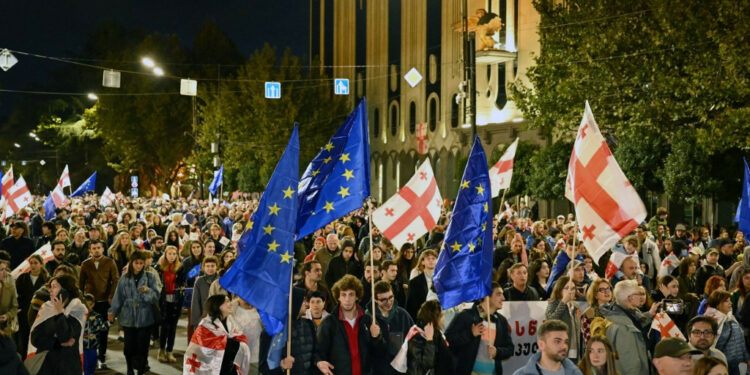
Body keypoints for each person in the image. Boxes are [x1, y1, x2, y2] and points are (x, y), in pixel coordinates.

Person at [316, 274, 384, 375]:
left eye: (351, 294)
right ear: (338, 297)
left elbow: (380, 354)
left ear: (357, 297)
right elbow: (318, 352)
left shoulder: (368, 321)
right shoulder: (328, 323)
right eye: (343, 295)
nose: (347, 299)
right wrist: (318, 362)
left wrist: (376, 338)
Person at [108, 251, 160, 375]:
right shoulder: (124, 278)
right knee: (128, 347)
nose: (138, 266)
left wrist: (147, 291)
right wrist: (112, 312)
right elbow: (118, 297)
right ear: (131, 263)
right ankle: (129, 368)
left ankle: (141, 370)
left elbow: (156, 296)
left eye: (141, 263)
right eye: (136, 263)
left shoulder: (150, 277)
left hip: (145, 317)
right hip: (128, 317)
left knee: (143, 347)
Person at [445, 282, 514, 375]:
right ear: (486, 296)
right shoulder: (466, 316)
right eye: (498, 294)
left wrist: (498, 352)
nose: (503, 298)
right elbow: (449, 340)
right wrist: (470, 333)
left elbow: (510, 349)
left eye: (502, 294)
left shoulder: (502, 321)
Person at [28, 274, 87, 375]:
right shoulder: (46, 308)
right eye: (50, 287)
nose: (50, 290)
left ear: (65, 290)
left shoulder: (77, 309)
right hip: (46, 365)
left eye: (54, 287)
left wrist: (60, 313)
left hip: (67, 366)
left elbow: (65, 336)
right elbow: (35, 338)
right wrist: (57, 344)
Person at [602, 279, 660, 375]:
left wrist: (650, 314)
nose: (641, 297)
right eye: (638, 294)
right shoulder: (623, 328)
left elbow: (636, 323)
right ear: (630, 298)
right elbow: (629, 364)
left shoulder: (623, 314)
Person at [183, 294, 251, 375]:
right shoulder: (205, 325)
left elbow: (240, 338)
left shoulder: (231, 322)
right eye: (227, 301)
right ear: (217, 305)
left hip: (229, 367)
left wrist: (236, 344)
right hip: (213, 368)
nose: (230, 304)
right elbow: (209, 348)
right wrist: (235, 344)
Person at [78, 239, 119, 369]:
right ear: (90, 250)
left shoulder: (109, 262)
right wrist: (81, 300)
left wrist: (111, 296)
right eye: (93, 248)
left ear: (103, 249)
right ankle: (90, 356)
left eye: (98, 248)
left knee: (103, 331)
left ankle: (102, 357)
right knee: (88, 331)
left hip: (104, 302)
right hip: (89, 303)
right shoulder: (85, 264)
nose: (96, 250)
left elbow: (116, 280)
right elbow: (80, 283)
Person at [370, 280, 414, 375]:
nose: (389, 302)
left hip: (400, 371)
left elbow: (413, 342)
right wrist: (375, 338)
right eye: (383, 300)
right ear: (375, 300)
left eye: (391, 297)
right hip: (378, 371)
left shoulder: (403, 315)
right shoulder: (369, 319)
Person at [703, 290, 750, 375]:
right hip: (722, 365)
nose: (730, 303)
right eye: (726, 301)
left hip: (738, 365)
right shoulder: (710, 322)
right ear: (717, 304)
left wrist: (747, 358)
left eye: (730, 300)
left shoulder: (731, 318)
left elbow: (741, 341)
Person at [513, 319, 583, 375]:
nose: (564, 346)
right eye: (557, 341)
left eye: (566, 342)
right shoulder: (521, 374)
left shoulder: (576, 373)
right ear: (541, 345)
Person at [15, 253, 49, 357]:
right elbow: (18, 296)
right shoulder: (22, 278)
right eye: (31, 263)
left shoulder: (47, 279)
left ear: (41, 264)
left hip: (41, 314)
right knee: (24, 339)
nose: (33, 265)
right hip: (25, 313)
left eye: (36, 263)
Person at [155, 245, 184, 363]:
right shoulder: (159, 267)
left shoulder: (180, 267)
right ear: (165, 254)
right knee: (164, 327)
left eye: (174, 254)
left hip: (176, 299)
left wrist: (182, 286)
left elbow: (182, 281)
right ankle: (161, 350)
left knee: (173, 327)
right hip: (163, 300)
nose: (172, 256)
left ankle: (170, 351)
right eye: (170, 254)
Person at [406, 299, 452, 375]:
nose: (443, 319)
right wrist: (429, 341)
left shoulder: (436, 334)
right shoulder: (417, 337)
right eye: (441, 315)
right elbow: (427, 364)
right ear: (434, 318)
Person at [546, 276, 583, 362]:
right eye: (567, 288)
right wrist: (563, 302)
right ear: (560, 289)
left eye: (573, 288)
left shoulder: (575, 307)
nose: (571, 291)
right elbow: (550, 320)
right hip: (560, 350)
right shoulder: (553, 303)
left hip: (574, 350)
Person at [406, 249, 438, 320]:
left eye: (433, 258)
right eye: (428, 259)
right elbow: (410, 306)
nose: (431, 261)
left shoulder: (442, 281)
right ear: (422, 262)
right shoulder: (414, 283)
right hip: (421, 320)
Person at [82, 293, 108, 375]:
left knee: (92, 365)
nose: (88, 307)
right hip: (82, 346)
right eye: (85, 304)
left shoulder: (97, 316)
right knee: (85, 367)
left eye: (90, 304)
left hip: (93, 346)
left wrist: (109, 322)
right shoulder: (79, 315)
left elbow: (103, 328)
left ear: (93, 304)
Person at [191, 256, 219, 330]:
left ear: (217, 267)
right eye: (207, 266)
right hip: (203, 317)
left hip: (218, 318)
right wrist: (196, 322)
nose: (210, 268)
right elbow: (195, 302)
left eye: (212, 266)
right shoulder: (199, 281)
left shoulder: (221, 281)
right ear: (203, 267)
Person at [581, 278, 613, 343]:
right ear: (595, 295)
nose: (606, 292)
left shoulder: (618, 310)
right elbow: (589, 341)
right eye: (601, 290)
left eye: (608, 288)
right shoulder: (589, 313)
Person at [0, 251, 18, 337]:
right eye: (1, 270)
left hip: (5, 330)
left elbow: (14, 306)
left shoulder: (9, 287)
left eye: (5, 269)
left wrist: (7, 316)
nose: (5, 272)